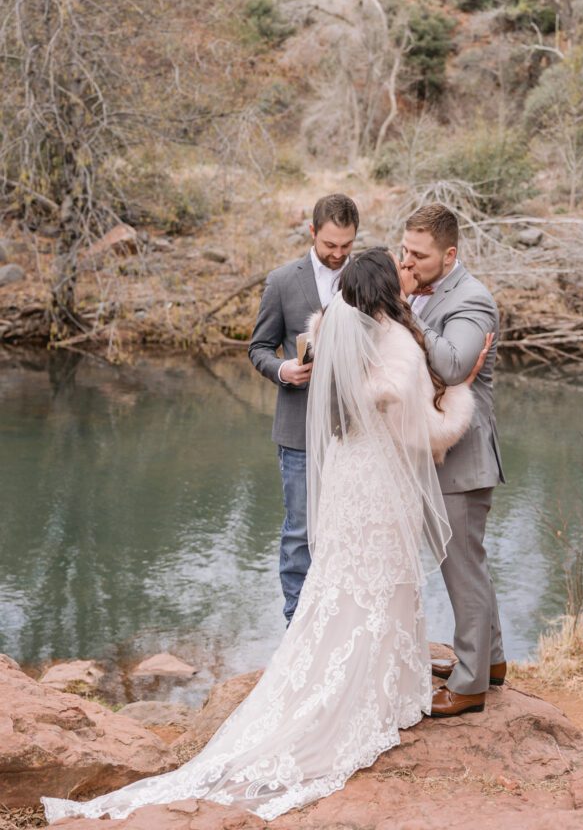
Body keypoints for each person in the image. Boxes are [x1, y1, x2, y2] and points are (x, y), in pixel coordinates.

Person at [42, 248, 487, 824]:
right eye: (398, 272)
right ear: (385, 290)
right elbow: (425, 432)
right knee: (382, 580)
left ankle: (346, 677)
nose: (408, 277)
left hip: (347, 477)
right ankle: (380, 692)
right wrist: (458, 391)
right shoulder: (398, 343)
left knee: (342, 579)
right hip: (379, 481)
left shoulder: (331, 332)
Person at [399, 204, 506, 719]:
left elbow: (455, 365)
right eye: (404, 251)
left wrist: (404, 312)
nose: (408, 263)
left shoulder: (471, 299)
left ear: (449, 254)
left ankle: (469, 686)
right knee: (467, 564)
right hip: (440, 454)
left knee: (462, 569)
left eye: (419, 256)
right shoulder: (425, 291)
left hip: (462, 459)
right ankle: (491, 661)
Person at [248, 193, 359, 624]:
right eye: (330, 244)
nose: (338, 254)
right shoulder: (281, 282)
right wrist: (283, 370)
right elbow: (258, 348)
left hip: (355, 431)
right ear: (312, 232)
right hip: (298, 431)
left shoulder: (365, 278)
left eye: (346, 245)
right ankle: (296, 625)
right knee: (300, 531)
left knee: (349, 529)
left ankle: (338, 621)